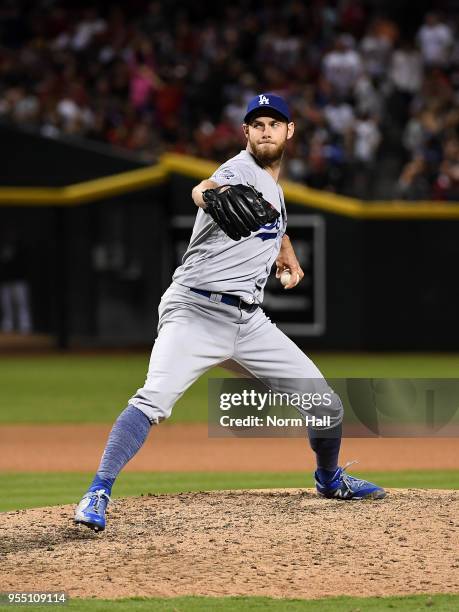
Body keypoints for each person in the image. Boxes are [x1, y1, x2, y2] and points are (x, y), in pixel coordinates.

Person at [74, 93, 385, 532]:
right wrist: (207, 192)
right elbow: (205, 189)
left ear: (289, 131)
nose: (265, 130)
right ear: (246, 133)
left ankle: (330, 480)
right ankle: (98, 491)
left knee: (326, 405)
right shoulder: (239, 169)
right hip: (196, 310)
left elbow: (272, 219)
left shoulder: (273, 188)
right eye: (256, 124)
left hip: (248, 322)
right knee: (153, 400)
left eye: (273, 124)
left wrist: (286, 252)